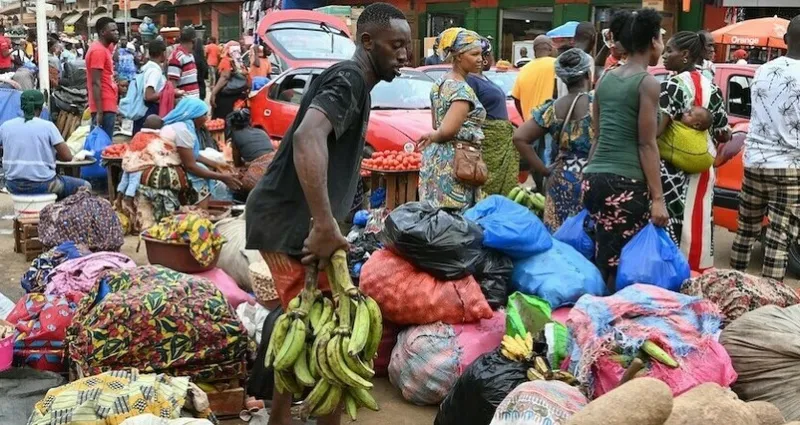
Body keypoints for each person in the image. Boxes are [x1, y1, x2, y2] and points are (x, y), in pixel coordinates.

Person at [245, 4, 410, 424]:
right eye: (396, 45)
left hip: (296, 221)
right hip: (290, 223)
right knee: (332, 331)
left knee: (310, 325)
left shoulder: (353, 82)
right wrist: (323, 223)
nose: (404, 55)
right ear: (367, 42)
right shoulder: (349, 78)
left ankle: (282, 418)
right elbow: (308, 136)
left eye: (406, 46)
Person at [583, 9, 668, 290]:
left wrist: (587, 177)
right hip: (626, 183)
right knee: (626, 265)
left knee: (603, 257)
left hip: (595, 177)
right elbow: (646, 143)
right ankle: (611, 312)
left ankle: (594, 308)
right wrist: (658, 198)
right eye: (661, 39)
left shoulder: (605, 79)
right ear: (653, 42)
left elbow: (597, 135)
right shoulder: (647, 82)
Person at [731, 16, 800, 281]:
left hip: (754, 162)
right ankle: (770, 299)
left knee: (745, 231)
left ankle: (732, 285)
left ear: (786, 40)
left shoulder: (763, 71)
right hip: (789, 168)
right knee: (778, 237)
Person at [659, 31, 730, 272]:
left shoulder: (670, 85)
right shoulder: (713, 88)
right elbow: (724, 133)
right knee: (698, 224)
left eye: (669, 51)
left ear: (685, 55)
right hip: (702, 169)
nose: (664, 55)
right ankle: (696, 277)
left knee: (671, 229)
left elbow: (656, 129)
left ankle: (671, 280)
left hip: (671, 171)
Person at [513, 48, 594, 232]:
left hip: (561, 177)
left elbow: (519, 138)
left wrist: (544, 170)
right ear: (588, 75)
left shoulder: (553, 108)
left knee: (558, 235)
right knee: (587, 235)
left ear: (562, 79)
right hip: (591, 177)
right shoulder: (596, 104)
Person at [417, 27, 486, 209]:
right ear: (458, 56)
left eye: (481, 54)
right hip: (456, 162)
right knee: (453, 220)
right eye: (474, 54)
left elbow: (436, 123)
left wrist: (434, 136)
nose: (480, 59)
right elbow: (447, 131)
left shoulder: (440, 83)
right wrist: (433, 136)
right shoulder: (461, 90)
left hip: (437, 158)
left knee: (435, 216)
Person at [1, 90, 91, 199]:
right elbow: (67, 157)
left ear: (22, 106)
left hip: (13, 185)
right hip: (43, 184)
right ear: (41, 108)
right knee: (85, 186)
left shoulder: (5, 126)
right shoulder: (48, 127)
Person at [162, 98, 241, 202]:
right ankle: (201, 206)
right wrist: (222, 177)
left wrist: (217, 164)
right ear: (194, 115)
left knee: (203, 167)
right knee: (199, 177)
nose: (206, 119)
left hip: (173, 163)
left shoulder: (183, 126)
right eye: (204, 115)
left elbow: (192, 154)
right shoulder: (182, 130)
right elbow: (190, 166)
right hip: (167, 167)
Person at [466, 37, 517, 196]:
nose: (493, 58)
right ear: (484, 57)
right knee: (487, 181)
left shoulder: (482, 77)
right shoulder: (471, 80)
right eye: (490, 54)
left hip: (500, 138)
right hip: (489, 140)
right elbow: (470, 111)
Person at [511, 35, 556, 189]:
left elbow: (516, 98)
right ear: (550, 48)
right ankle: (549, 191)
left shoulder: (524, 70)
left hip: (532, 125)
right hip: (551, 122)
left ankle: (540, 191)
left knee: (536, 162)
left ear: (534, 51)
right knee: (549, 160)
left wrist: (526, 118)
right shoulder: (556, 64)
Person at [116, 115, 164, 220]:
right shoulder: (155, 138)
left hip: (129, 163)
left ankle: (118, 198)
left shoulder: (138, 134)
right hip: (139, 164)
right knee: (134, 181)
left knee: (124, 179)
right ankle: (129, 198)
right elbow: (156, 153)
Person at [86, 17, 120, 139]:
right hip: (103, 105)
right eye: (113, 30)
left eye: (116, 30)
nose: (117, 32)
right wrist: (99, 111)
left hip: (108, 102)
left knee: (103, 142)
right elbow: (95, 82)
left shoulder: (104, 49)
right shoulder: (98, 51)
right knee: (102, 144)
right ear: (102, 32)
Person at [227, 108, 274, 193]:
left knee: (236, 183)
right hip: (275, 166)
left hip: (259, 172)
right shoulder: (261, 131)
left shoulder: (236, 134)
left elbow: (237, 163)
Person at [133, 39, 168, 134]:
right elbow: (148, 95)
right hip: (149, 111)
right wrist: (167, 93)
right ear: (162, 53)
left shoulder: (145, 67)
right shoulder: (154, 71)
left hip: (141, 109)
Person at [557, 22, 595, 99]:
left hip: (562, 104)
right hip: (578, 105)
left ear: (574, 37)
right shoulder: (587, 60)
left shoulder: (563, 58)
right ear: (593, 38)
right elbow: (587, 90)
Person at [211, 41, 247, 119]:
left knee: (223, 120)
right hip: (237, 97)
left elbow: (225, 77)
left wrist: (213, 93)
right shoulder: (240, 62)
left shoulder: (226, 60)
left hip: (225, 98)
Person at [167, 27, 200, 98]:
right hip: (184, 102)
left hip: (193, 101)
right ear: (193, 40)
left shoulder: (190, 55)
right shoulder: (176, 57)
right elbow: (172, 86)